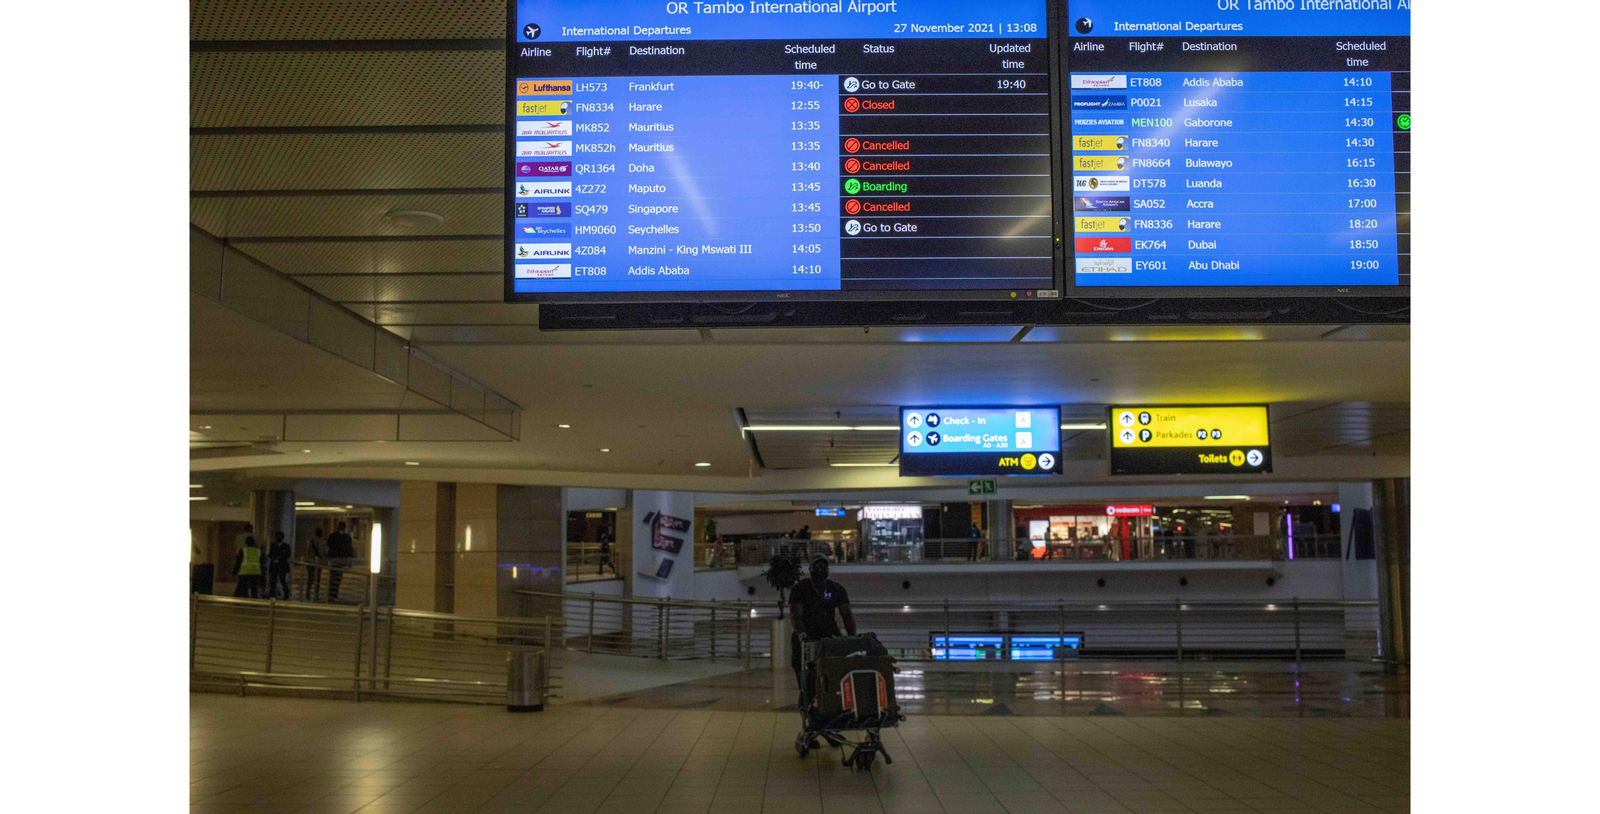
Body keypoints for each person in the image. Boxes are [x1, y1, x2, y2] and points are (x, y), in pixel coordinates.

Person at [787, 557, 856, 696]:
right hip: (807, 635)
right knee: (799, 664)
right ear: (810, 569)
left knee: (834, 667)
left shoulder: (836, 589)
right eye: (816, 566)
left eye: (823, 566)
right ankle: (805, 691)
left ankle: (831, 693)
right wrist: (802, 635)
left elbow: (847, 615)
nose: (820, 569)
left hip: (829, 635)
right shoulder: (800, 588)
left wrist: (852, 637)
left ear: (827, 570)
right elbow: (796, 616)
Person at [325, 521, 356, 601]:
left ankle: (332, 594)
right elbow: (349, 549)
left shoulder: (334, 536)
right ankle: (333, 594)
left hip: (336, 559)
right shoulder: (346, 538)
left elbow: (329, 546)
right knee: (336, 578)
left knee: (335, 578)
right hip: (339, 560)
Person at [268, 531, 292, 599]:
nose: (278, 537)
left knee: (282, 579)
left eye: (280, 536)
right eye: (277, 536)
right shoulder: (273, 545)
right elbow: (270, 554)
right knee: (273, 580)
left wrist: (279, 557)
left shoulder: (286, 546)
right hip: (274, 565)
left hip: (282, 565)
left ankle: (286, 593)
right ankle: (272, 594)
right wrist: (273, 557)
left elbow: (288, 555)